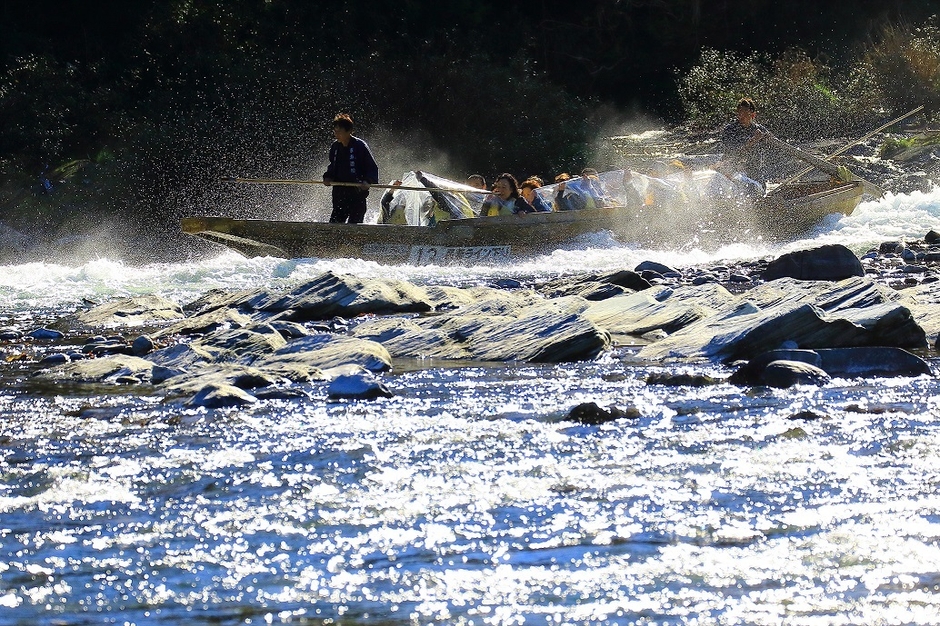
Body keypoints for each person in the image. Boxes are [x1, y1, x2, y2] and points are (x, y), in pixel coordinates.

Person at [322, 113, 379, 223]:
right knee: (334, 227)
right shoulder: (335, 147)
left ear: (348, 131)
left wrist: (368, 181)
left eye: (339, 131)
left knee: (354, 230)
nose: (336, 134)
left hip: (357, 193)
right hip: (339, 194)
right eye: (335, 131)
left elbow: (372, 167)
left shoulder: (360, 146)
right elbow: (332, 166)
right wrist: (328, 177)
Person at [719, 97, 770, 195]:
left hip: (754, 171)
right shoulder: (730, 130)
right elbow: (734, 153)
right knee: (748, 188)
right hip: (733, 171)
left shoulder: (760, 129)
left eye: (745, 114)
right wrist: (753, 141)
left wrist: (768, 138)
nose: (741, 117)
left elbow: (774, 144)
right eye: (739, 114)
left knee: (760, 191)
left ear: (753, 115)